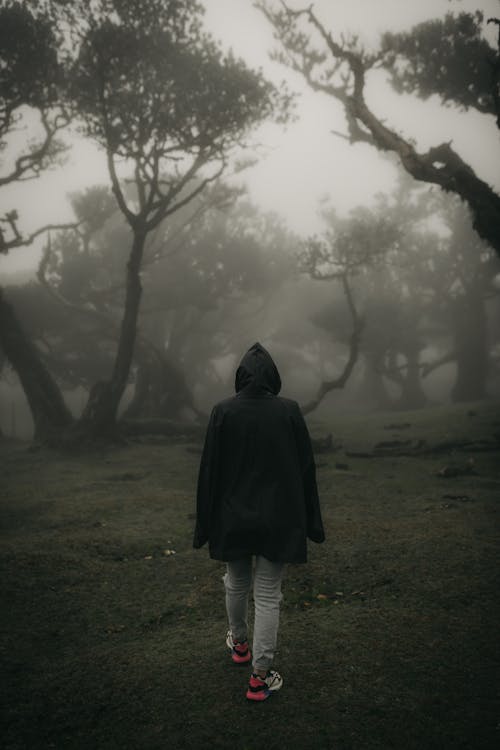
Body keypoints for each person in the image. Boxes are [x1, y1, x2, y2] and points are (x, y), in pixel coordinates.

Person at [193, 342, 325, 701]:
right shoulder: (289, 411)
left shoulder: (222, 412)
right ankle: (259, 679)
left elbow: (210, 471)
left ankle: (239, 645)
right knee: (268, 595)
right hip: (278, 519)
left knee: (235, 582)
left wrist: (205, 524)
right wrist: (313, 523)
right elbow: (305, 470)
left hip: (232, 515)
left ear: (241, 376)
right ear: (273, 376)